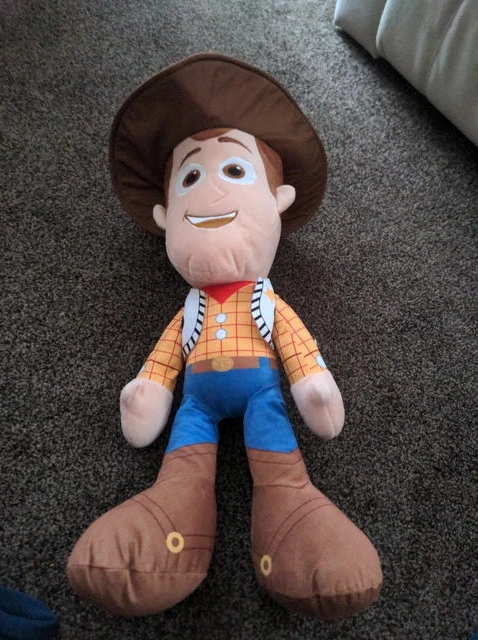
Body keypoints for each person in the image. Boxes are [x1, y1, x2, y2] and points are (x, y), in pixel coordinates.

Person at [67, 53, 382, 621]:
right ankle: (170, 528)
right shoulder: (188, 309)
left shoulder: (266, 299)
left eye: (235, 171)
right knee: (181, 469)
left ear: (277, 202)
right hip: (197, 400)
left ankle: (295, 522)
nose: (210, 187)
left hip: (262, 391)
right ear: (167, 215)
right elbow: (167, 355)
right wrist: (148, 390)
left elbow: (294, 342)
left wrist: (312, 382)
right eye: (191, 177)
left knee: (281, 465)